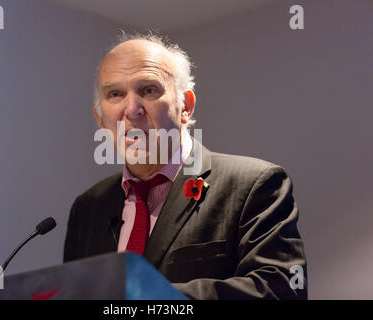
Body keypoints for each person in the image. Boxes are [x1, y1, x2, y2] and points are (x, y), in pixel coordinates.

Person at [63, 33, 307, 300]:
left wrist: (146, 299)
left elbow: (281, 290)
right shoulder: (87, 207)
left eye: (148, 90)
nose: (132, 109)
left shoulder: (254, 185)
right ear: (100, 118)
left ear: (185, 107)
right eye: (115, 94)